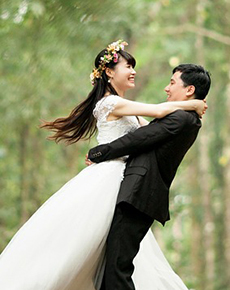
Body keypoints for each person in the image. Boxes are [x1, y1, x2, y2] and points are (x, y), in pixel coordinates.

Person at [0, 40, 207, 290]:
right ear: (109, 72)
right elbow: (157, 112)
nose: (133, 71)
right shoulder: (110, 103)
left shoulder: (128, 107)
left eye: (133, 66)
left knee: (112, 258)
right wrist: (191, 104)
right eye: (127, 66)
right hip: (108, 180)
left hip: (125, 182)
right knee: (86, 253)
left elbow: (148, 133)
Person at [88, 63, 211, 290]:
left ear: (189, 90)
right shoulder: (185, 117)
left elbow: (139, 138)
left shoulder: (182, 119)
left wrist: (99, 152)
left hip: (139, 194)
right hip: (137, 194)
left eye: (172, 83)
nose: (167, 88)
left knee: (117, 268)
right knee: (114, 266)